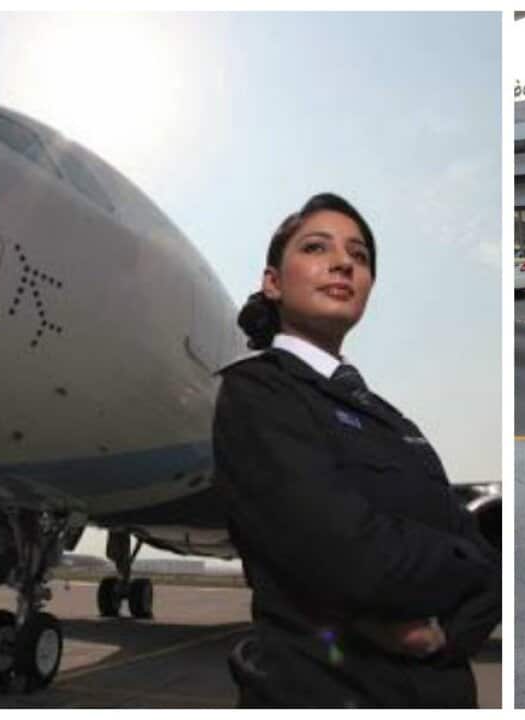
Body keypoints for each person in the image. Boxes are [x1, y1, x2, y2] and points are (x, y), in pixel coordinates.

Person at [212, 192, 501, 708]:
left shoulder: (393, 421)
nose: (343, 262)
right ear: (273, 282)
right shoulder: (258, 393)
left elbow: (491, 571)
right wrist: (468, 565)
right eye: (317, 248)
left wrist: (445, 635)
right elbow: (346, 557)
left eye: (360, 256)